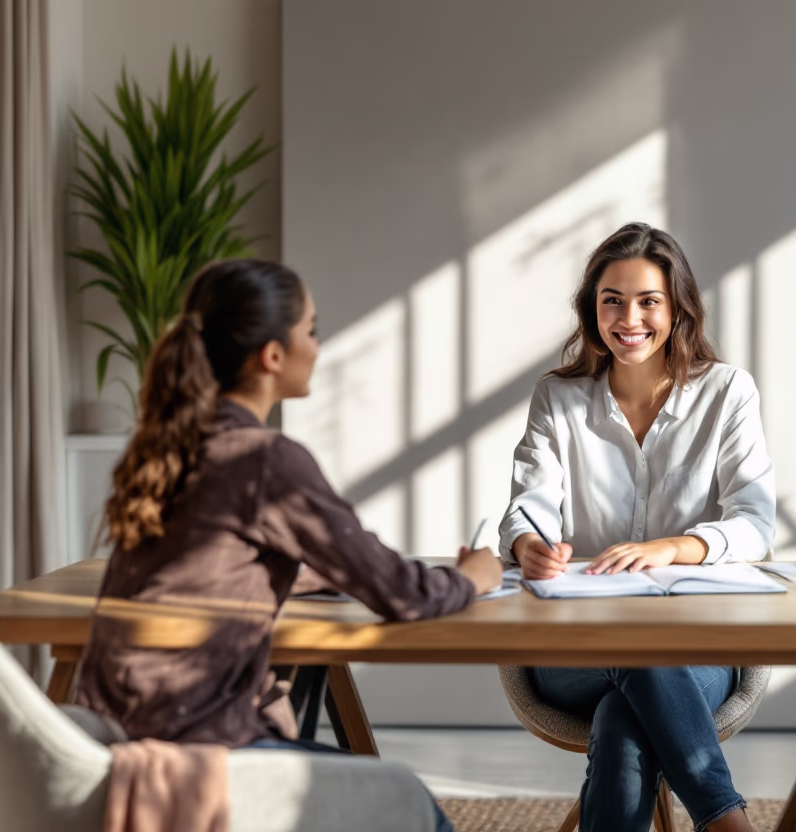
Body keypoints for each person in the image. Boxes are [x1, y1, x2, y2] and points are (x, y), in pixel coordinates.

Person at [75, 259, 502, 832]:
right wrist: (475, 576)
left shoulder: (170, 448)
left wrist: (307, 571)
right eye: (311, 330)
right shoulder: (265, 458)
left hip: (125, 731)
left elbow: (207, 563)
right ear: (272, 356)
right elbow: (403, 594)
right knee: (411, 801)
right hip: (206, 743)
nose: (317, 346)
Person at [498, 223, 775, 832]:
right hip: (576, 651)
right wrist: (531, 547)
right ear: (591, 309)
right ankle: (728, 822)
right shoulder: (558, 398)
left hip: (697, 650)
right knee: (633, 655)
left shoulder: (727, 394)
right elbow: (527, 510)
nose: (630, 318)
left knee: (623, 721)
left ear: (677, 308)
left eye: (649, 300)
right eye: (612, 300)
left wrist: (671, 549)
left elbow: (756, 525)